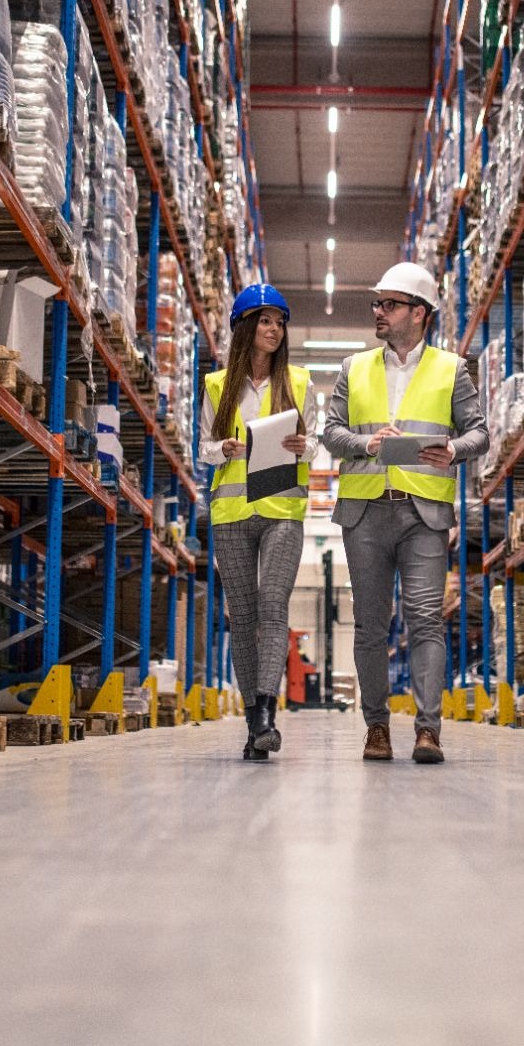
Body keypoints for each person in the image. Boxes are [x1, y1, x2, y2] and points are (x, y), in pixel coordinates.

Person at [321, 263, 489, 764]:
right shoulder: (353, 368)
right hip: (365, 511)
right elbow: (330, 432)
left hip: (424, 514)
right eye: (377, 304)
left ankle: (427, 731)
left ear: (419, 313)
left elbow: (479, 433)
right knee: (371, 625)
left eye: (389, 304)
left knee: (424, 620)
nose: (378, 312)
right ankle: (376, 729)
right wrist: (367, 443)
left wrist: (454, 451)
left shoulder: (451, 369)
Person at [199, 284, 316, 762]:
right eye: (265, 320)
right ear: (245, 327)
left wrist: (302, 448)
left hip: (282, 509)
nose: (274, 329)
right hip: (230, 514)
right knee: (242, 618)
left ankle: (266, 713)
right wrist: (222, 449)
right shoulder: (216, 385)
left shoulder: (302, 382)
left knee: (273, 606)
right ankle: (254, 724)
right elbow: (203, 449)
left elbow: (313, 443)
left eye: (280, 322)